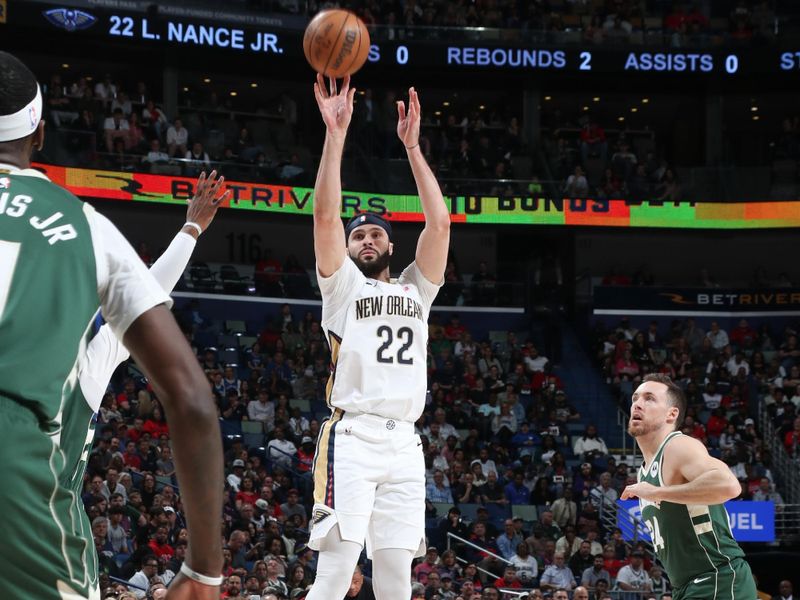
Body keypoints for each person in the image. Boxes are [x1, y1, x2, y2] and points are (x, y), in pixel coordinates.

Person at [0, 51, 224, 600]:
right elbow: (189, 395)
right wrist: (192, 229)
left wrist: (192, 230)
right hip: (21, 488)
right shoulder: (83, 237)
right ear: (41, 134)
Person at [306, 74, 449, 600]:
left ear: (391, 244)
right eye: (358, 235)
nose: (366, 240)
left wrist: (412, 147)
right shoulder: (341, 286)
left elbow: (440, 225)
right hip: (353, 435)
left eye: (375, 234)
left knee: (396, 580)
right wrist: (336, 134)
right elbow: (324, 214)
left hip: (406, 443)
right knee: (336, 573)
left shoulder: (417, 288)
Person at [622, 373, 757, 600]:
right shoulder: (645, 470)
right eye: (635, 397)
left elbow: (729, 486)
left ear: (671, 414)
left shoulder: (677, 446)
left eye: (649, 398)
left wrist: (656, 492)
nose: (638, 403)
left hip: (716, 578)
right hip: (688, 587)